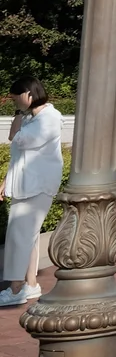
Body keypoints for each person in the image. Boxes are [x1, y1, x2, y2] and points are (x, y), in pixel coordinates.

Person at [0, 77, 62, 308]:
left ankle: (16, 289)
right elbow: (19, 154)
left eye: (16, 97)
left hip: (36, 185)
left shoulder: (49, 118)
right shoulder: (32, 117)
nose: (15, 102)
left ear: (28, 94)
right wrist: (7, 180)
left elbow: (19, 140)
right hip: (27, 184)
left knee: (19, 237)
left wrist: (17, 118)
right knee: (28, 237)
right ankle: (30, 283)